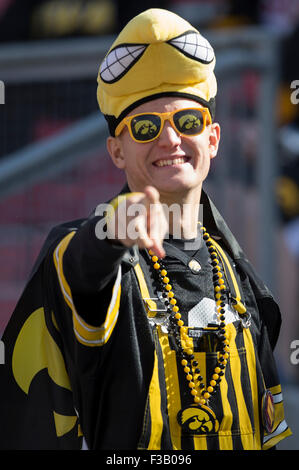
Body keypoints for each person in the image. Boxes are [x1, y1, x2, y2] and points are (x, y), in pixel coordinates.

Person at [0, 8, 291, 451]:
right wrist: (110, 232)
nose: (170, 139)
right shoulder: (90, 252)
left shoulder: (239, 274)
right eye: (145, 126)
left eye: (187, 122)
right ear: (116, 152)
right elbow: (82, 270)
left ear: (213, 138)